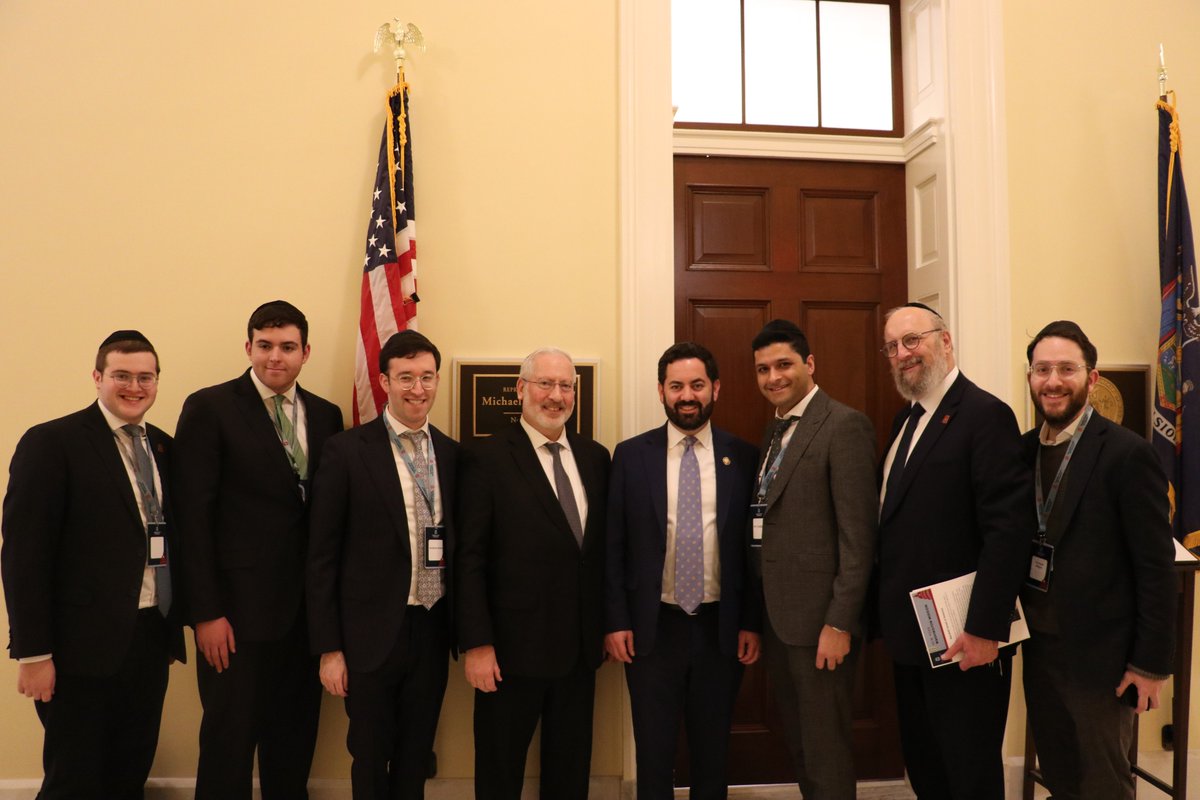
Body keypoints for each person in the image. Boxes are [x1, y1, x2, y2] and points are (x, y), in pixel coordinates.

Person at [1, 330, 186, 799]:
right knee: (74, 780)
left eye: (145, 377)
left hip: (149, 638)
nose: (134, 387)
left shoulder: (162, 447)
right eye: (121, 375)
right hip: (77, 651)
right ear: (97, 377)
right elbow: (24, 556)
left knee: (129, 774)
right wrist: (34, 654)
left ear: (157, 382)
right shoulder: (53, 442)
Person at [174, 300, 344, 800]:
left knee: (292, 746)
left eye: (288, 347)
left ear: (305, 352)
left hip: (304, 619)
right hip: (234, 620)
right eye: (265, 345)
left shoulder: (327, 415)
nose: (276, 357)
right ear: (248, 347)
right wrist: (206, 612)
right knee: (227, 745)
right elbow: (192, 519)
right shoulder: (210, 408)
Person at [876, 303, 1031, 800]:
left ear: (945, 341)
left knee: (970, 775)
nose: (903, 353)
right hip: (912, 639)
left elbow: (1008, 531)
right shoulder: (905, 420)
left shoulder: (985, 415)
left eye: (912, 339)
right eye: (892, 346)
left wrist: (986, 629)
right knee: (928, 771)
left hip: (966, 639)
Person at [1020, 320, 1176, 800]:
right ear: (1030, 377)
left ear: (1092, 378)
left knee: (1103, 785)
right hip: (1039, 648)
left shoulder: (1127, 454)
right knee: (1061, 777)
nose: (1053, 381)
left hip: (1103, 660)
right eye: (1042, 369)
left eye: (1066, 369)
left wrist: (1149, 665)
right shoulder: (1022, 452)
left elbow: (1156, 570)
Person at [604, 342, 760, 800]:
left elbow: (753, 550)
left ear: (716, 388)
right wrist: (616, 620)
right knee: (653, 753)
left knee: (713, 751)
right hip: (652, 630)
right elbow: (614, 545)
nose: (687, 396)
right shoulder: (631, 455)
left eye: (697, 385)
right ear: (661, 391)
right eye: (676, 386)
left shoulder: (744, 456)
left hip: (720, 629)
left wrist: (751, 621)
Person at [307, 330, 458, 800]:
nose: (418, 388)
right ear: (384, 381)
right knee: (370, 755)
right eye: (406, 377)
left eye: (427, 377)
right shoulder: (347, 451)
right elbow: (321, 555)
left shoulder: (452, 454)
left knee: (416, 753)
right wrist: (330, 648)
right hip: (369, 635)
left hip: (432, 627)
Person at [455, 347, 611, 800]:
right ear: (521, 389)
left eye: (565, 386)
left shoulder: (595, 458)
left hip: (579, 653)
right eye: (545, 383)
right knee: (500, 775)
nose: (556, 396)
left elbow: (597, 555)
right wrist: (477, 644)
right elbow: (469, 559)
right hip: (508, 655)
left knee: (570, 775)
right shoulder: (485, 458)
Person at [749, 320, 877, 800]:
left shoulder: (844, 425)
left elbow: (859, 539)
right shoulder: (775, 430)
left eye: (783, 364)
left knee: (826, 750)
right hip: (780, 621)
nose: (773, 377)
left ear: (810, 364)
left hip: (823, 624)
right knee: (802, 745)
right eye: (763, 369)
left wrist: (839, 623)